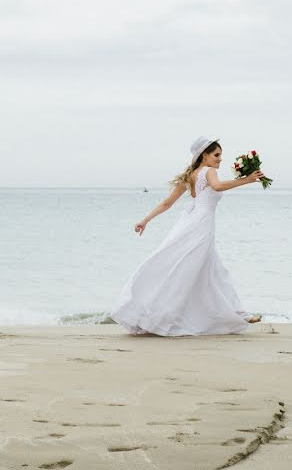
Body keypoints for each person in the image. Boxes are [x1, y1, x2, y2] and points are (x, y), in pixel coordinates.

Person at [110, 136, 263, 336]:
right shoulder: (209, 171)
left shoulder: (191, 175)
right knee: (190, 271)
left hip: (190, 223)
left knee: (213, 271)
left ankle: (238, 313)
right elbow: (217, 187)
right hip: (200, 226)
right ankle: (158, 317)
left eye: (220, 156)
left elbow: (167, 203)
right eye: (216, 155)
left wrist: (145, 220)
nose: (220, 159)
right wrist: (246, 180)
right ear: (204, 155)